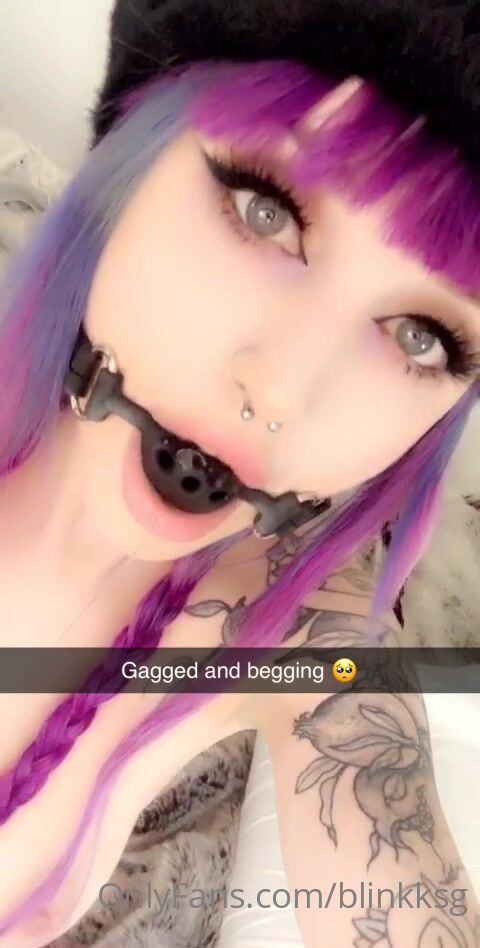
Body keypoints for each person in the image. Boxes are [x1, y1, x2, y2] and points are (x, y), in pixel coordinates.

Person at [0, 1, 479, 945]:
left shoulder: (304, 637)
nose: (283, 391)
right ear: (133, 162)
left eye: (423, 338)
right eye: (266, 211)